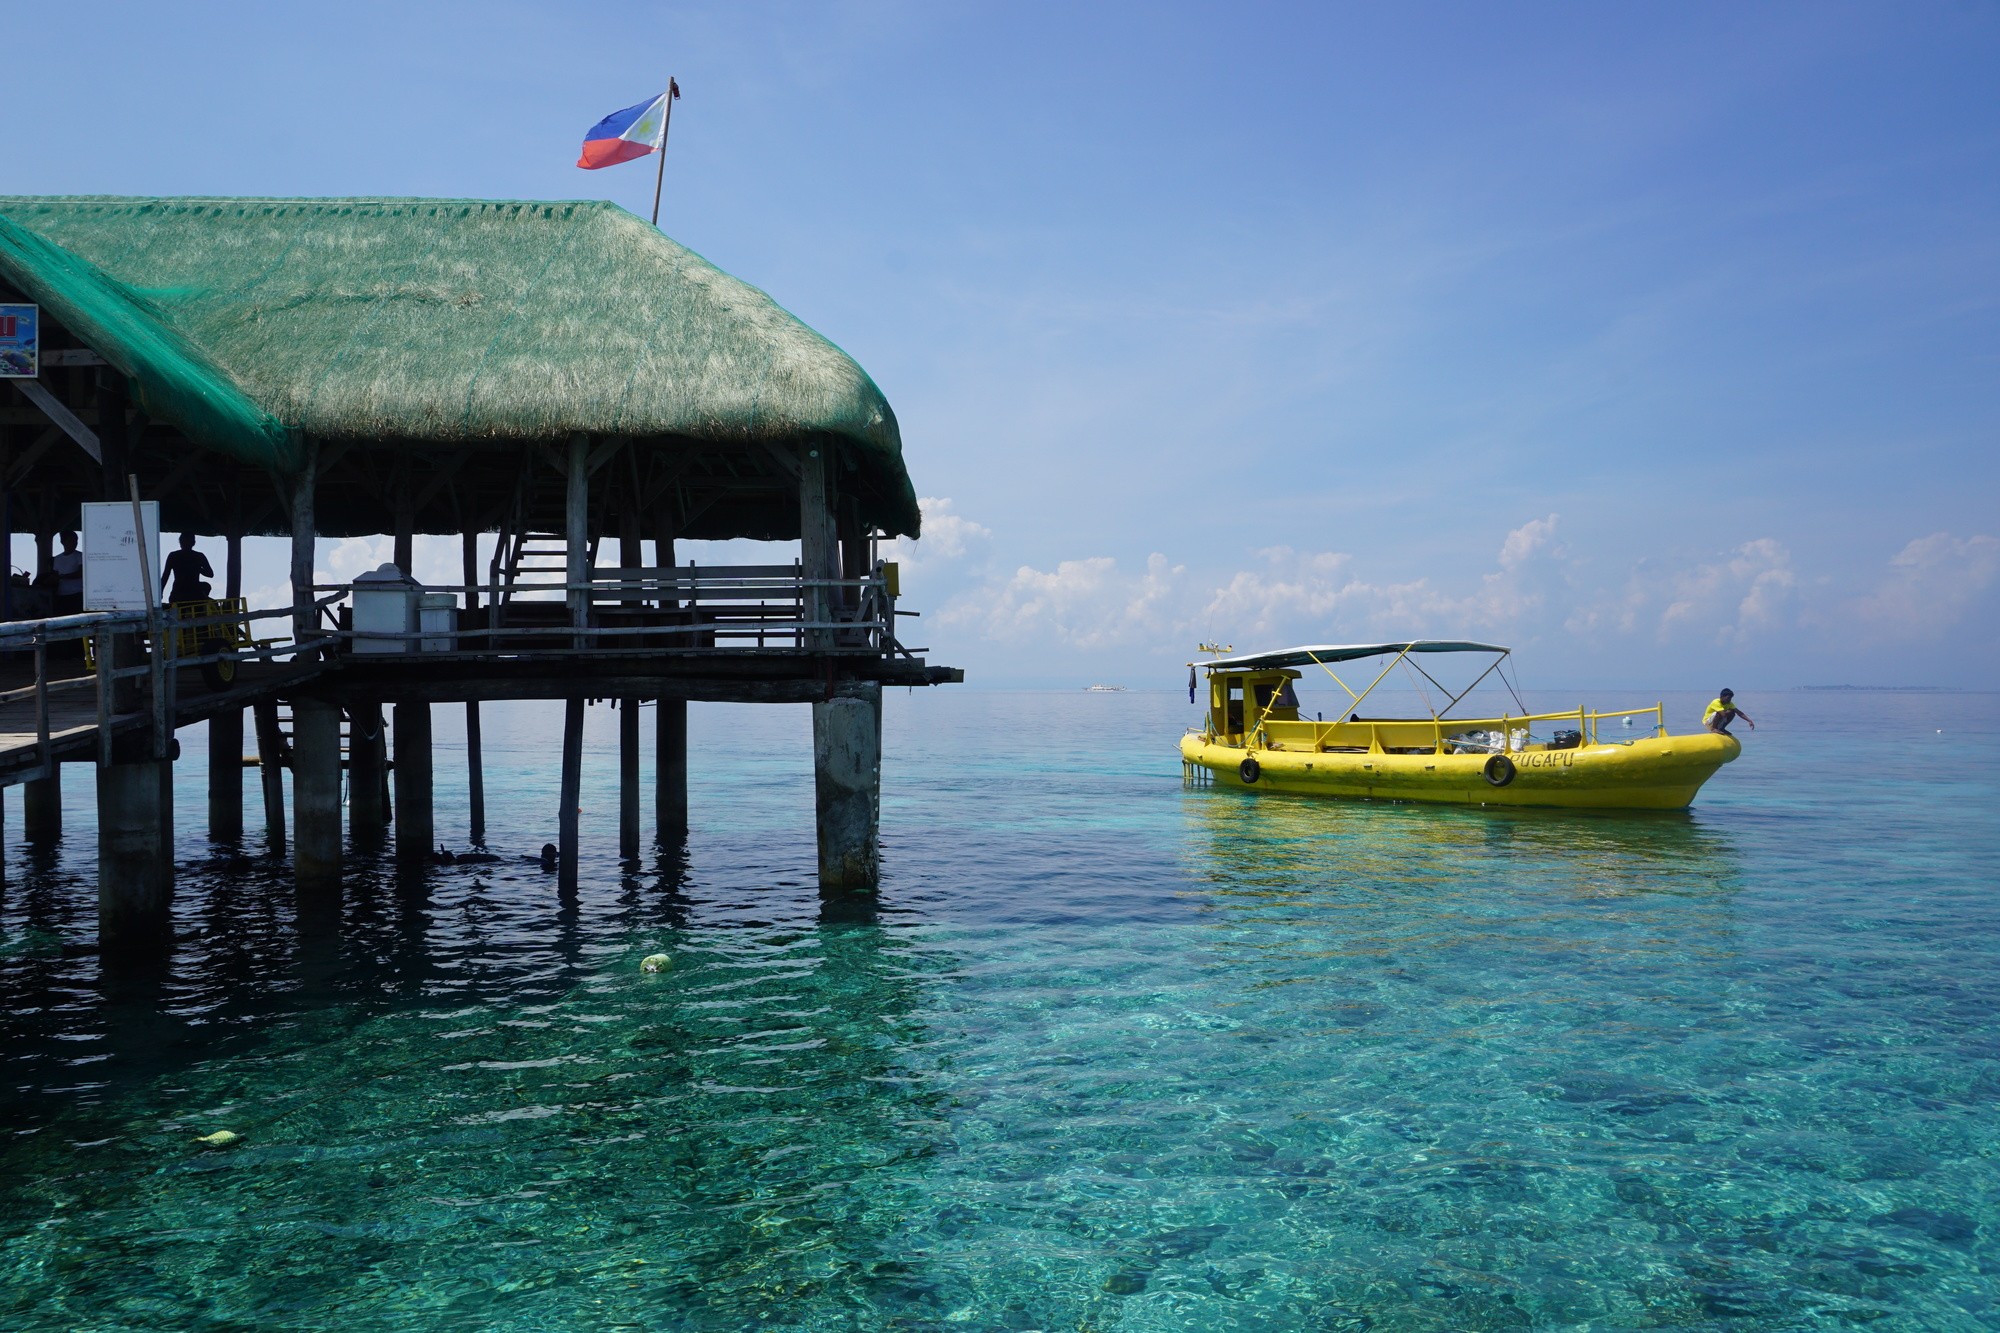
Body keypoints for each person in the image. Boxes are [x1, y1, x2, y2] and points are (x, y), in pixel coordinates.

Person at [161, 532, 214, 605]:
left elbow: (165, 576)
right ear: (194, 543)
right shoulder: (199, 556)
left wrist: (160, 592)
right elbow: (210, 574)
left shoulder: (173, 556)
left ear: (180, 542)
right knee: (206, 587)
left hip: (178, 593)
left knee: (206, 586)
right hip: (194, 594)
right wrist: (197, 567)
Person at [51, 530, 82, 615]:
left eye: (76, 541)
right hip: (62, 594)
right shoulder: (57, 559)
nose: (75, 543)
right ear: (63, 542)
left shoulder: (80, 556)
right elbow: (55, 576)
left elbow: (81, 573)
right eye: (71, 540)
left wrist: (62, 577)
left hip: (77, 594)